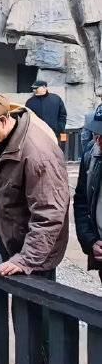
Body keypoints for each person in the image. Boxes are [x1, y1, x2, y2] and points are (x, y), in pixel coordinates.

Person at [0, 93, 69, 275]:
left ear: (2, 120)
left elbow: (49, 214)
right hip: (16, 248)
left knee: (36, 303)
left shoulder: (38, 154)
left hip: (35, 258)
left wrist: (26, 259)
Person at [74, 104, 102, 279]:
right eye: (95, 133)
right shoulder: (91, 153)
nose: (98, 140)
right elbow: (81, 200)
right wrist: (90, 240)